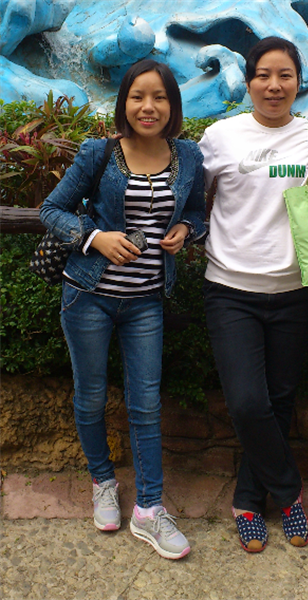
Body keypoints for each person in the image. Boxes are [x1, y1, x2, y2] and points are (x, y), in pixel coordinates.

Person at [39, 59, 206, 559]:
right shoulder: (99, 153)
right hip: (87, 295)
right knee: (91, 397)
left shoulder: (188, 156)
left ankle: (150, 509)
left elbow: (195, 211)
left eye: (159, 97)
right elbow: (51, 209)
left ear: (173, 105)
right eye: (137, 96)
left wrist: (186, 230)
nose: (148, 107)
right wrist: (95, 237)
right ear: (124, 102)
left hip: (146, 301)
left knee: (146, 404)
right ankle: (102, 481)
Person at [199, 36, 308, 552]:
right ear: (248, 82)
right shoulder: (221, 136)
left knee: (279, 400)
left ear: (299, 82)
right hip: (230, 288)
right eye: (263, 75)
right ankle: (288, 492)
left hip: (296, 290)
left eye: (285, 75)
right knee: (246, 401)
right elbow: (192, 196)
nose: (273, 85)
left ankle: (247, 500)